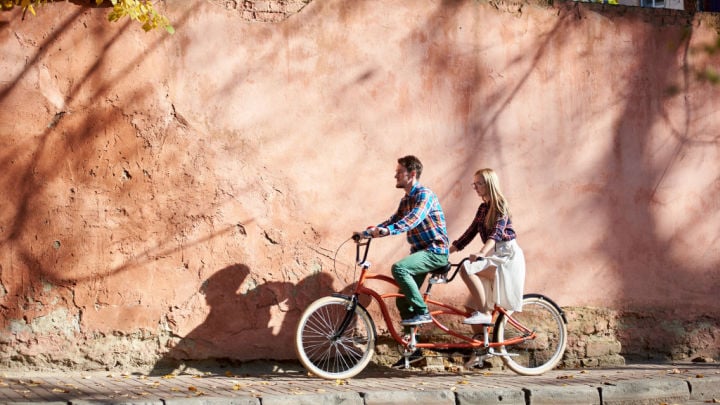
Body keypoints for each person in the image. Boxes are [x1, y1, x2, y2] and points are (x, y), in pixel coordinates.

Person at [355, 155, 450, 327]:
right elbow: (393, 220)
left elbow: (413, 219)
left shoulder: (425, 195)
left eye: (399, 172)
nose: (395, 176)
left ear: (412, 174)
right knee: (402, 302)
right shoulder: (406, 200)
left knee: (399, 268)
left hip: (435, 251)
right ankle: (413, 349)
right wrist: (367, 233)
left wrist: (388, 230)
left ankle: (423, 312)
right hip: (421, 253)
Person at [450, 168, 526, 325]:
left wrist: (482, 252)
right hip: (494, 253)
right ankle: (481, 344)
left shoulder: (500, 205)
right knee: (471, 307)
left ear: (489, 184)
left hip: (507, 256)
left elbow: (496, 234)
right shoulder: (482, 208)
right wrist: (446, 252)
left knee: (466, 268)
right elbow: (469, 233)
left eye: (479, 183)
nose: (476, 187)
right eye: (474, 184)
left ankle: (485, 313)